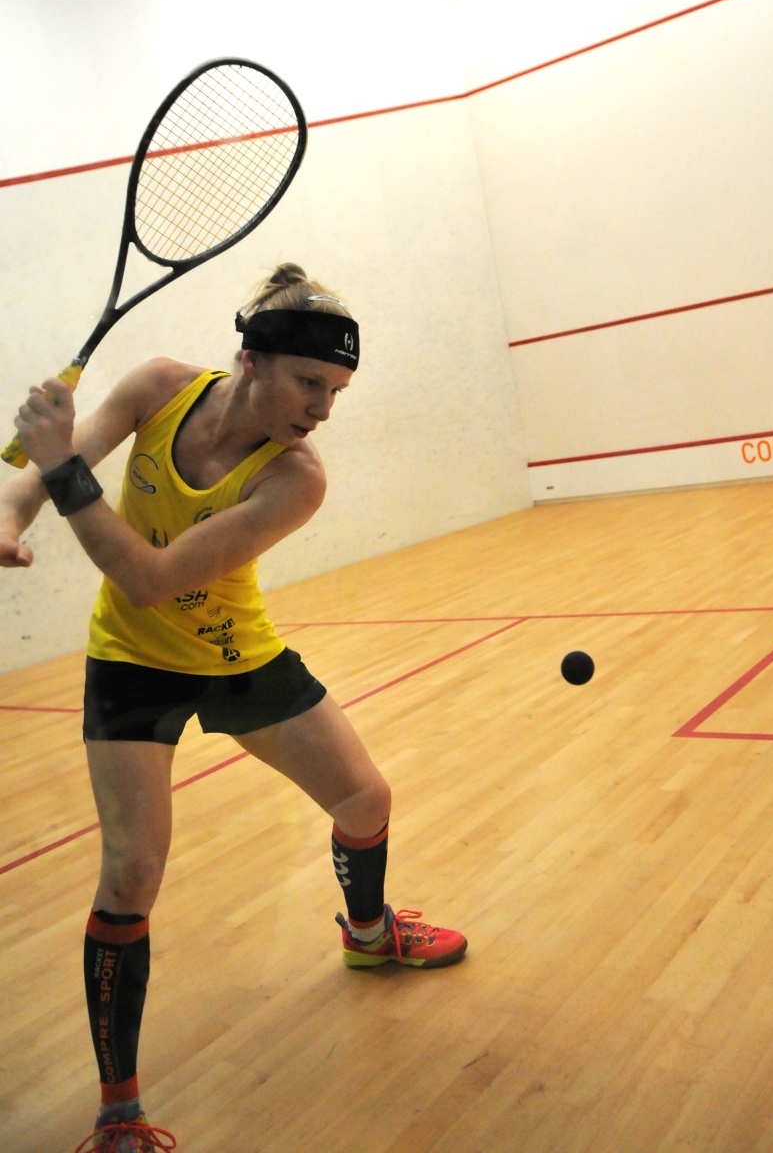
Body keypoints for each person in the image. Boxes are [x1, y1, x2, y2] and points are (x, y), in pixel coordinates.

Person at [0, 264, 467, 1153]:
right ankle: (118, 1111)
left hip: (234, 658)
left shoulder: (296, 477)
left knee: (365, 798)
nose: (322, 409)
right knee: (133, 871)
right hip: (131, 663)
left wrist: (55, 467)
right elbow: (49, 466)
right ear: (251, 359)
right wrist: (12, 513)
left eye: (336, 392)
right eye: (309, 382)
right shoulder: (158, 387)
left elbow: (148, 577)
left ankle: (369, 935)